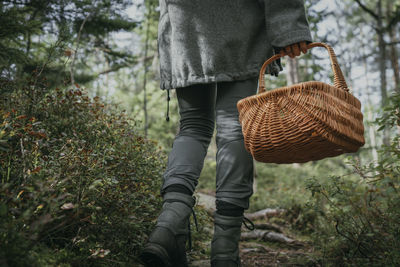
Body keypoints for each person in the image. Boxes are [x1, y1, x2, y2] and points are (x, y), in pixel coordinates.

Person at [140, 1, 312, 266]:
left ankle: (167, 226)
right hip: (237, 17)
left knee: (193, 126)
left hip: (184, 21)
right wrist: (289, 27)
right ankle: (224, 251)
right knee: (234, 126)